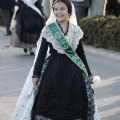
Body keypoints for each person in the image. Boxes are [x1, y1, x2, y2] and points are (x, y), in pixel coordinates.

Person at [11, 0, 100, 119]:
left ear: (69, 11)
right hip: (53, 69)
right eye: (56, 9)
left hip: (73, 71)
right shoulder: (49, 29)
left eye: (62, 9)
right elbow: (42, 53)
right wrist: (36, 74)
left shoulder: (76, 30)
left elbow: (80, 53)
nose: (58, 12)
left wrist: (89, 73)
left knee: (73, 100)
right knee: (51, 101)